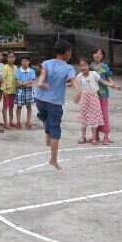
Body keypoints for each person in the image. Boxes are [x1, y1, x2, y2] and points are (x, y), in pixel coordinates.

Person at [36, 40, 81, 170]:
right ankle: (53, 159)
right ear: (67, 52)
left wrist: (40, 83)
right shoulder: (68, 68)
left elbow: (43, 74)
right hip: (54, 103)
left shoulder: (47, 63)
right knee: (55, 129)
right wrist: (78, 91)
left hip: (39, 99)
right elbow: (73, 80)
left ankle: (47, 136)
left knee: (44, 116)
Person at [77, 57, 116, 145]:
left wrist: (113, 85)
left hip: (94, 98)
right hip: (84, 99)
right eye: (81, 66)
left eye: (85, 65)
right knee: (83, 116)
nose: (83, 67)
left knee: (94, 117)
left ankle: (94, 137)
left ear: (89, 66)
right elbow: (74, 84)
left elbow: (103, 82)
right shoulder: (79, 76)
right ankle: (83, 137)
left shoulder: (94, 74)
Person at [90, 48, 122, 144]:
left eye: (100, 53)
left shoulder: (105, 67)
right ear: (92, 55)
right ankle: (95, 136)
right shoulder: (89, 66)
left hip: (103, 94)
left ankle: (106, 136)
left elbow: (108, 79)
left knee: (104, 115)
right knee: (94, 115)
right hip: (92, 95)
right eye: (95, 53)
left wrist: (115, 85)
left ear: (103, 56)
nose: (97, 55)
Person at [15, 55, 36, 130]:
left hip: (28, 91)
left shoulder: (32, 71)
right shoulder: (18, 71)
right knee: (19, 106)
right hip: (20, 90)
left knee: (29, 106)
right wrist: (25, 84)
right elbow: (18, 82)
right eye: (23, 61)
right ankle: (18, 122)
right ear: (21, 62)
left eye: (26, 61)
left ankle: (28, 122)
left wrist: (22, 83)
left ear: (29, 62)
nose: (24, 63)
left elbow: (30, 82)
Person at [1, 51, 17, 130]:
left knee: (11, 106)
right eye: (9, 57)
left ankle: (11, 121)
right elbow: (2, 79)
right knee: (5, 106)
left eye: (12, 57)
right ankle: (5, 123)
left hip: (13, 91)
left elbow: (17, 79)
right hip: (6, 91)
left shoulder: (16, 68)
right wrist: (3, 90)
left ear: (15, 58)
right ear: (7, 58)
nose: (11, 59)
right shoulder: (5, 67)